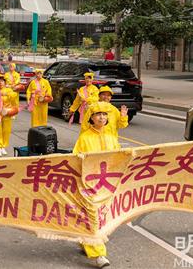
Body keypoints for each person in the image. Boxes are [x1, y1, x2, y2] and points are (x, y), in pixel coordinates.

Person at [73, 101, 120, 268]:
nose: (102, 117)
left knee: (102, 216)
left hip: (108, 184)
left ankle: (84, 240)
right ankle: (99, 254)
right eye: (98, 114)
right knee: (94, 216)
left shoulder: (111, 136)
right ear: (91, 118)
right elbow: (76, 159)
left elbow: (118, 157)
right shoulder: (84, 138)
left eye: (104, 114)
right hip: (90, 184)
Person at [0, 74, 18, 157]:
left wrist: (7, 94)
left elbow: (14, 97)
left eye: (2, 81)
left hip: (6, 113)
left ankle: (3, 146)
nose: (0, 83)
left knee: (6, 130)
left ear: (5, 83)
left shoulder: (8, 90)